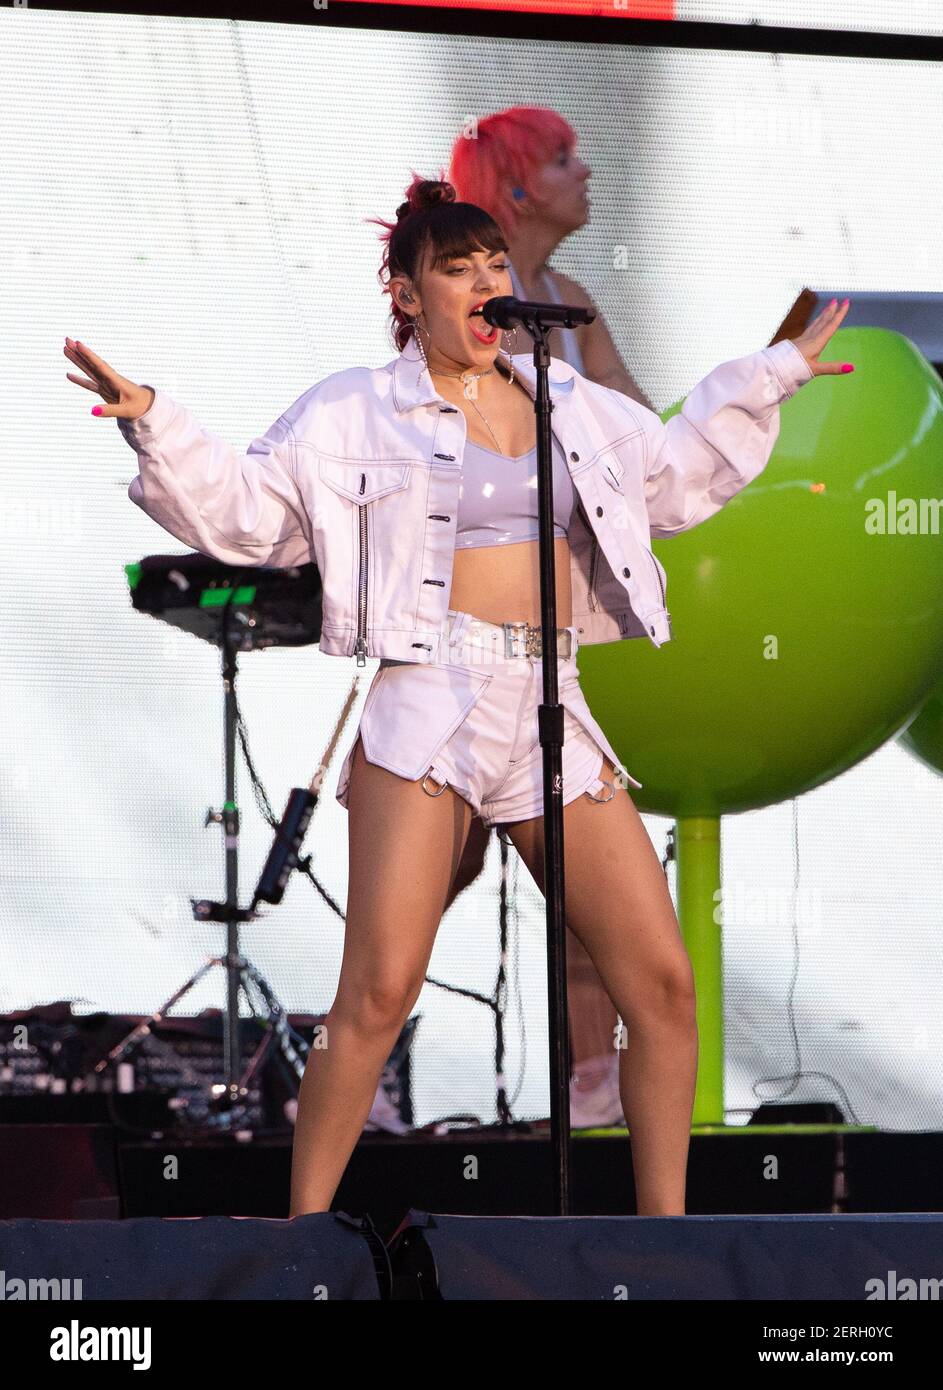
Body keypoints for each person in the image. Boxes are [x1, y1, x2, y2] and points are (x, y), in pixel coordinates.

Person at [63, 178, 851, 1218]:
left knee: (657, 985)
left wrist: (773, 372)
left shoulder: (566, 401)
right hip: (429, 695)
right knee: (379, 990)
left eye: (493, 265)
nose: (486, 282)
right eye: (457, 268)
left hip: (548, 700)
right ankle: (300, 1237)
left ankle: (669, 1247)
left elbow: (673, 470)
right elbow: (256, 516)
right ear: (406, 294)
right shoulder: (353, 409)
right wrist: (157, 425)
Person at [448, 106, 658, 1125]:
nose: (588, 172)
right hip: (469, 636)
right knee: (438, 866)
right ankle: (350, 1048)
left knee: (584, 865)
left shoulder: (569, 299)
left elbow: (638, 428)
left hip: (565, 631)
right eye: (565, 158)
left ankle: (592, 1084)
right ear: (518, 186)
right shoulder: (468, 299)